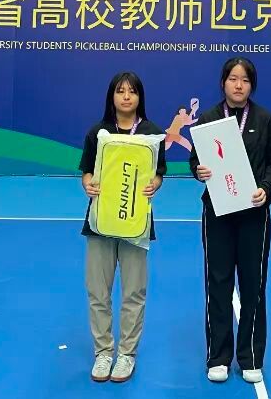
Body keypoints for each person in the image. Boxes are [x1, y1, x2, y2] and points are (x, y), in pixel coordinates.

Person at [189, 57, 271, 385]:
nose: (238, 84)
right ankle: (218, 357)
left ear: (251, 84)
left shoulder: (265, 119)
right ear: (223, 83)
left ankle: (251, 357)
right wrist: (199, 171)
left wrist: (266, 188)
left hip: (254, 213)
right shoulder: (209, 119)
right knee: (218, 283)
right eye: (233, 78)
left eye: (244, 79)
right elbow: (195, 160)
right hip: (217, 213)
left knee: (253, 284)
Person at [78, 71, 166, 384]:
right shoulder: (98, 132)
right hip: (100, 223)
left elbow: (158, 173)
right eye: (120, 91)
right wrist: (88, 184)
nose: (126, 97)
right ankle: (103, 352)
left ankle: (127, 353)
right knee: (98, 291)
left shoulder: (153, 133)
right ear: (111, 96)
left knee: (134, 292)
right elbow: (87, 171)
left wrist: (155, 184)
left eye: (132, 91)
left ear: (140, 97)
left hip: (135, 224)